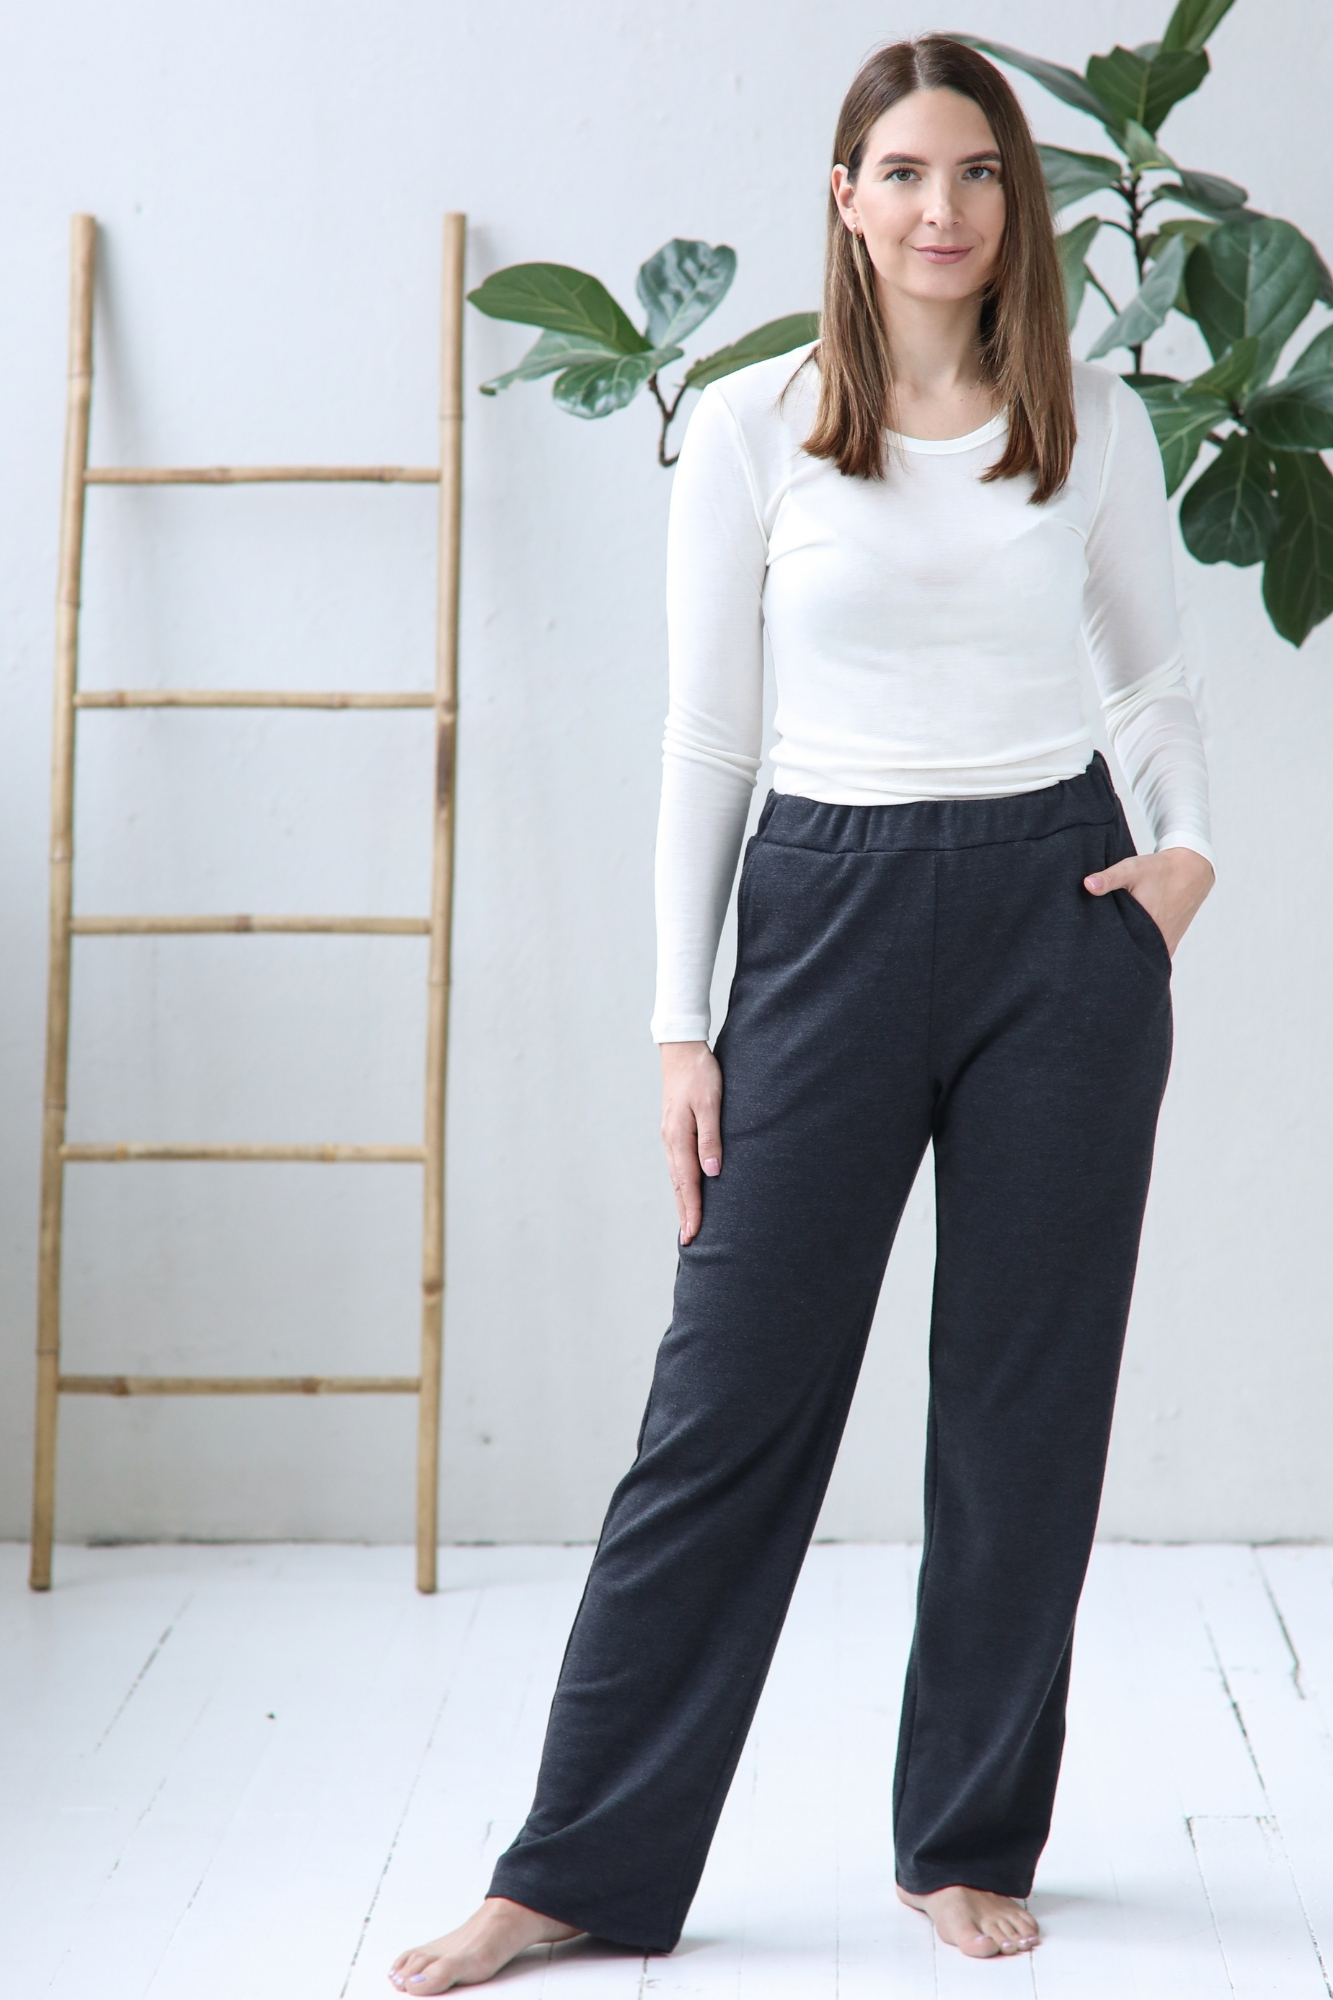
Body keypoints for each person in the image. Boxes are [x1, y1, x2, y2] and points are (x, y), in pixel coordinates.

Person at [390, 33, 1215, 1991]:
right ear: (843, 201)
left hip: (1056, 918)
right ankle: (575, 1864)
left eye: (979, 173)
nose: (944, 209)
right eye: (904, 172)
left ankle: (965, 1838)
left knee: (1022, 1410)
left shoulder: (1088, 418)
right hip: (822, 917)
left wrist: (1182, 862)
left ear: (1016, 204)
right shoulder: (755, 427)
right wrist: (678, 1029)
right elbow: (707, 739)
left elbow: (1151, 679)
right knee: (725, 1404)